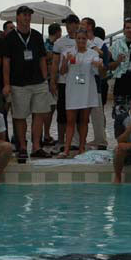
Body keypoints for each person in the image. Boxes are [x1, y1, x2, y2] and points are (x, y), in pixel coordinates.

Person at [1, 5, 51, 160]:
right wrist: (7, 84)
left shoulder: (36, 35)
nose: (26, 18)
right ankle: (22, 146)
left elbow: (42, 58)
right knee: (20, 116)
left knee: (39, 114)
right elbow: (6, 62)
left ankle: (36, 146)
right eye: (23, 15)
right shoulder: (9, 37)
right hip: (18, 84)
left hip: (38, 82)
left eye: (28, 15)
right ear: (17, 17)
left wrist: (45, 78)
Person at [57, 29, 105, 158]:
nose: (81, 41)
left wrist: (99, 65)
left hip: (87, 90)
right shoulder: (68, 52)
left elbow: (101, 74)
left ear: (87, 40)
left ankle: (82, 148)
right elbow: (62, 72)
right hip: (73, 90)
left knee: (84, 120)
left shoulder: (93, 54)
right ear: (75, 39)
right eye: (79, 38)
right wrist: (66, 61)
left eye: (83, 39)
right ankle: (66, 150)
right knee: (70, 121)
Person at [50, 14, 83, 151]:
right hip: (64, 81)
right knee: (62, 111)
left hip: (79, 79)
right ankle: (61, 140)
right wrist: (53, 81)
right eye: (67, 24)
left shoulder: (83, 40)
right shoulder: (59, 43)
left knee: (79, 111)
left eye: (72, 23)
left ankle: (78, 140)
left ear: (77, 24)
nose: (69, 26)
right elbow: (55, 63)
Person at [81, 17, 107, 150]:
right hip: (81, 81)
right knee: (81, 111)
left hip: (95, 80)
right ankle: (80, 140)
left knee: (97, 112)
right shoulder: (79, 40)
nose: (81, 25)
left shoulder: (98, 42)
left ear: (90, 26)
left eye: (83, 24)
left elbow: (105, 57)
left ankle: (101, 140)